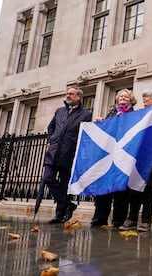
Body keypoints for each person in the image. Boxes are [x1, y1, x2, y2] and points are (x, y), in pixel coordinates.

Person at [119, 89, 152, 232]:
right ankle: (132, 219)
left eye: (147, 97)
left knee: (148, 188)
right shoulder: (140, 113)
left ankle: (146, 221)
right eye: (143, 97)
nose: (144, 99)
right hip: (137, 156)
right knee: (134, 187)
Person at [43, 86, 92, 224]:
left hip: (69, 153)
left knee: (65, 185)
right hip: (53, 151)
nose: (68, 95)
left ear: (79, 97)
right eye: (67, 93)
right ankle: (67, 204)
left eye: (71, 94)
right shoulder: (59, 111)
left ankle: (59, 214)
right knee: (47, 178)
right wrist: (50, 140)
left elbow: (86, 134)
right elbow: (51, 127)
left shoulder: (85, 115)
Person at [90, 88, 137, 228]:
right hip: (108, 156)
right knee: (104, 187)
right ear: (117, 99)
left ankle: (118, 219)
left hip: (124, 156)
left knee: (121, 189)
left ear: (131, 100)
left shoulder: (134, 115)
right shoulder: (111, 113)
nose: (123, 98)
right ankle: (100, 217)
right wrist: (101, 121)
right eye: (121, 96)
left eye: (126, 97)